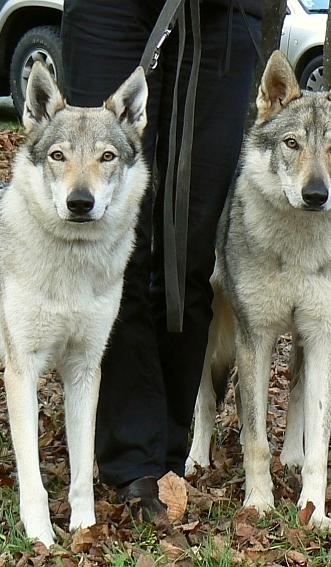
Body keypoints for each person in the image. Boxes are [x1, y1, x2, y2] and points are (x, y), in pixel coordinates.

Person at [61, 0, 263, 519]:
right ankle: (134, 459)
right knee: (111, 245)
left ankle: (169, 448)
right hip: (111, 13)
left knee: (191, 249)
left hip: (221, 18)